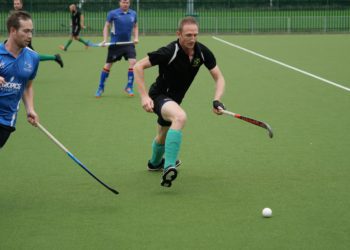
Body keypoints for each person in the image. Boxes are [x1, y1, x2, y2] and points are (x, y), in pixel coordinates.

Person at [133, 16, 226, 187]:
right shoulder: (170, 51)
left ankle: (154, 164)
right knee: (180, 117)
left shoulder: (202, 52)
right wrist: (144, 96)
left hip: (174, 100)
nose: (192, 39)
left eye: (195, 35)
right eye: (188, 35)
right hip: (159, 95)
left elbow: (219, 78)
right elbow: (138, 66)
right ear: (179, 34)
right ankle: (169, 166)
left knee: (162, 135)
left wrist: (217, 100)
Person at [0, 11, 40, 149]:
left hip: (6, 120)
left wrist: (30, 109)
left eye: (31, 31)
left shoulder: (33, 58)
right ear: (13, 30)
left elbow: (27, 86)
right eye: (26, 31)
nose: (30, 36)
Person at [95, 0, 139, 98]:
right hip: (115, 44)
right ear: (120, 3)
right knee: (108, 65)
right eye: (123, 2)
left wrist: (136, 37)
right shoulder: (112, 13)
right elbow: (106, 26)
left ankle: (129, 86)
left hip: (128, 43)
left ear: (129, 3)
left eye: (127, 2)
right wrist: (105, 40)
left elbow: (135, 26)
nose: (125, 4)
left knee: (133, 62)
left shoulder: (133, 13)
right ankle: (101, 87)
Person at [12, 0, 63, 68]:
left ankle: (55, 57)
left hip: (24, 38)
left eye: (18, 4)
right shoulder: (14, 14)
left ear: (21, 5)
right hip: (17, 39)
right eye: (15, 4)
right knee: (25, 56)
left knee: (32, 56)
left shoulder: (23, 15)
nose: (16, 5)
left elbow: (28, 27)